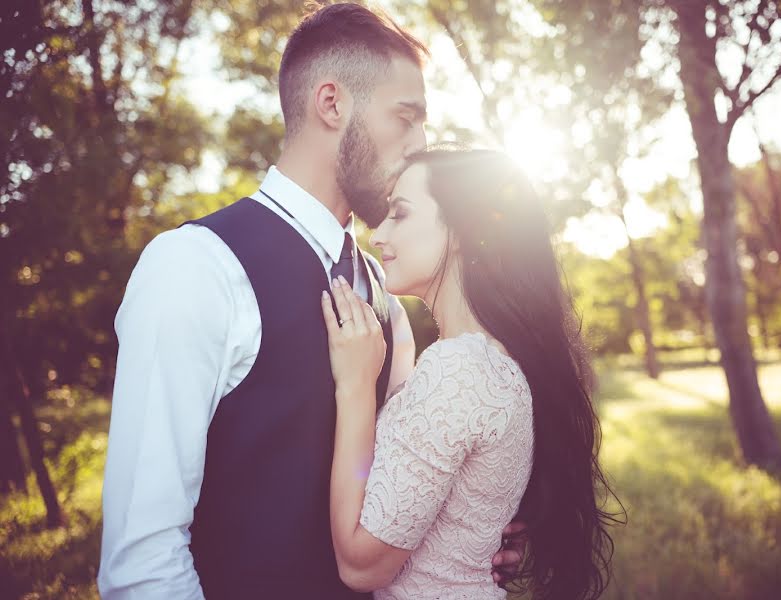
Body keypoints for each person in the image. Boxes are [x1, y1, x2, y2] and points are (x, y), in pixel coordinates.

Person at [97, 5, 521, 598]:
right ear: (331, 104)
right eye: (406, 119)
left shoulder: (385, 298)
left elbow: (393, 495)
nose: (420, 147)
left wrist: (467, 536)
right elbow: (143, 557)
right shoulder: (194, 266)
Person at [321, 148, 620, 599]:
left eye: (400, 214)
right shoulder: (495, 359)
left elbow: (361, 567)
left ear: (464, 231)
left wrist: (356, 384)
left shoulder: (458, 369)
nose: (377, 233)